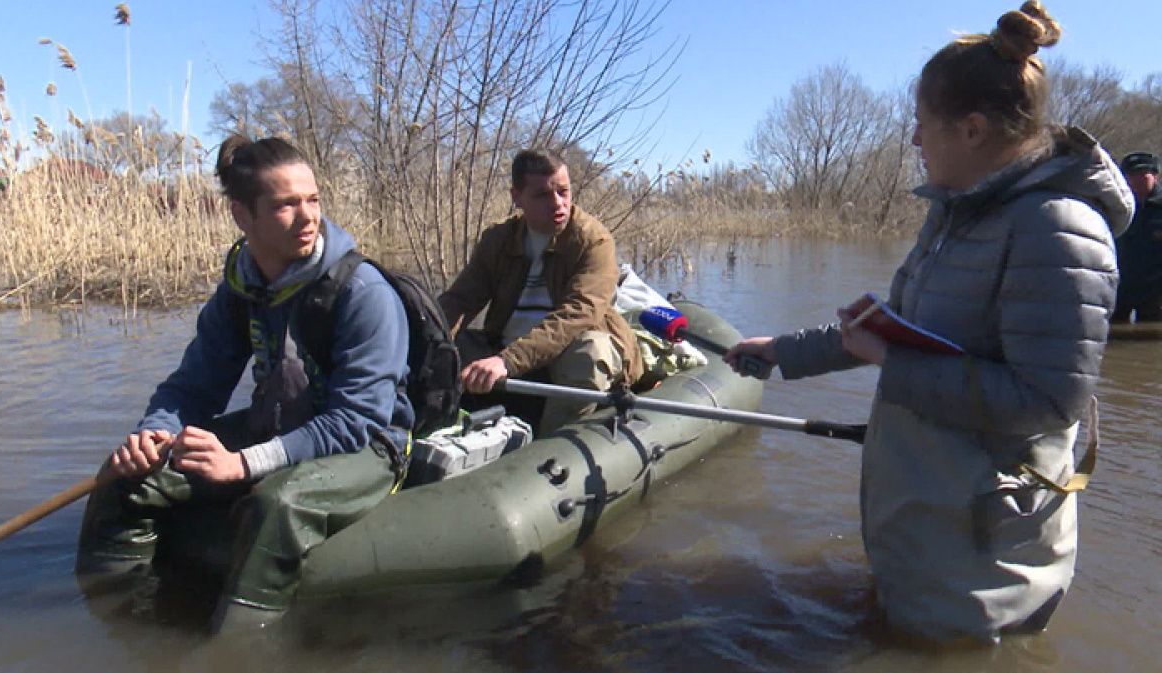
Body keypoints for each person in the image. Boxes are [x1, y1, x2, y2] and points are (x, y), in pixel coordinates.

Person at [726, 2, 1132, 645]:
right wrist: (781, 350)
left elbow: (1049, 403)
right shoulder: (956, 216)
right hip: (927, 523)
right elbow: (899, 331)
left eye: (921, 125)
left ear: (971, 130)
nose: (913, 141)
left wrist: (895, 362)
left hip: (981, 553)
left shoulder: (1057, 230)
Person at [76, 135, 416, 631]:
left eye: (313, 199)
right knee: (125, 481)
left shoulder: (363, 293)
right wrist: (153, 433)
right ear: (243, 216)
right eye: (286, 205)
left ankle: (236, 647)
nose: (308, 217)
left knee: (274, 505)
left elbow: (357, 420)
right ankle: (106, 622)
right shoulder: (240, 291)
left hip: (370, 443)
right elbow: (194, 386)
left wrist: (243, 465)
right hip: (280, 421)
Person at [437, 149, 643, 434]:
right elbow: (460, 299)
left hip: (568, 349)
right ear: (517, 198)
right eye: (543, 195)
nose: (557, 203)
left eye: (563, 191)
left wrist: (508, 361)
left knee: (588, 356)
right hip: (508, 346)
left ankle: (548, 447)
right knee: (445, 349)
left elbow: (578, 315)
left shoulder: (593, 240)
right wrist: (427, 337)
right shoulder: (498, 239)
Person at [1111, 151, 1162, 323]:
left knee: (1150, 340)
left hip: (1155, 291)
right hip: (1120, 286)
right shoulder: (1117, 206)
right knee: (1114, 337)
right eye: (1131, 175)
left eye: (1143, 174)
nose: (1136, 179)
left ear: (1155, 177)